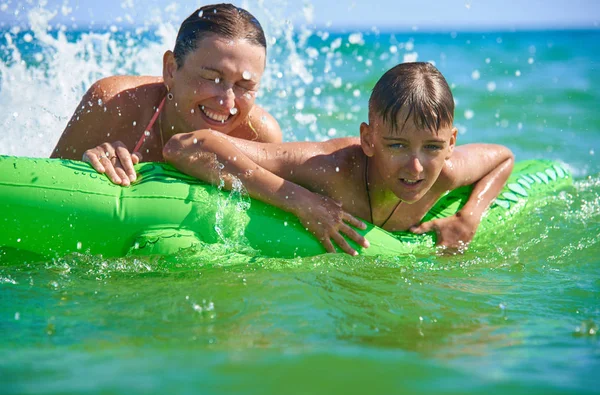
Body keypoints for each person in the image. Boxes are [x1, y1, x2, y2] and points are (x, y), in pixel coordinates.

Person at [163, 62, 515, 255]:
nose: (416, 167)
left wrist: (469, 217)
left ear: (451, 143)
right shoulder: (329, 169)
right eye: (396, 146)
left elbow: (503, 158)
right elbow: (187, 146)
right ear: (368, 139)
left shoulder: (447, 174)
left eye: (433, 148)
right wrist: (301, 200)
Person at [50, 3, 282, 186]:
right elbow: (45, 191)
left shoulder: (259, 136)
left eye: (244, 85)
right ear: (171, 69)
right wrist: (87, 166)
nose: (227, 102)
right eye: (213, 78)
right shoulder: (113, 102)